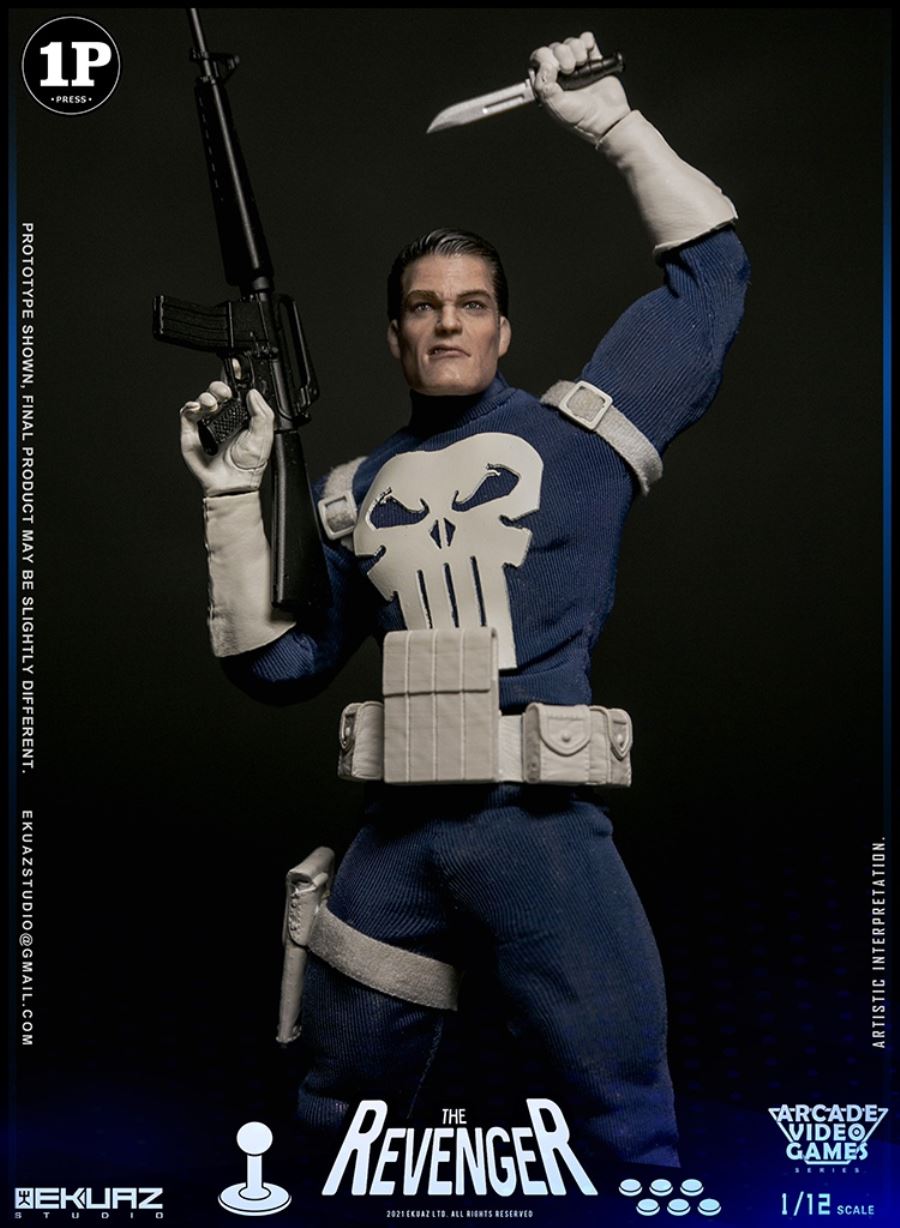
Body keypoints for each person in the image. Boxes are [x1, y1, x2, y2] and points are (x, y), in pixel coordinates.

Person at [179, 32, 749, 1169]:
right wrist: (232, 498)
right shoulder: (352, 495)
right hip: (395, 847)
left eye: (471, 303)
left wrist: (612, 124)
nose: (447, 321)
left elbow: (713, 281)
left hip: (542, 837)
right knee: (334, 1117)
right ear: (394, 334)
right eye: (424, 306)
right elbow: (280, 669)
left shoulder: (582, 437)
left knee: (627, 1117)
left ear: (502, 328)